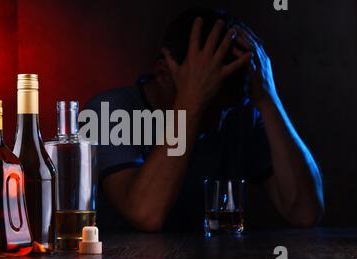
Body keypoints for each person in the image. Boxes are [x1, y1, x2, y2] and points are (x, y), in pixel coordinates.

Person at [84, 8, 324, 232]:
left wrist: (269, 100)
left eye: (226, 109)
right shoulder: (108, 112)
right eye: (209, 104)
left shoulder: (237, 113)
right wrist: (192, 102)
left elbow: (305, 213)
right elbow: (146, 214)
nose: (219, 124)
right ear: (162, 75)